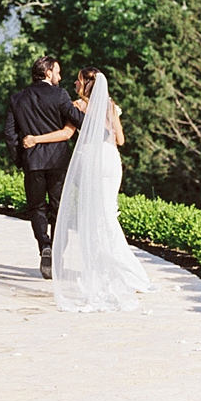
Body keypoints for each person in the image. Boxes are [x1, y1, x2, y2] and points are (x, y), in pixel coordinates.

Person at [24, 66, 153, 311]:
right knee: (107, 216)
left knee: (94, 218)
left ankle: (107, 271)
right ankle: (128, 272)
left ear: (86, 84)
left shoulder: (79, 107)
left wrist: (35, 139)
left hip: (92, 160)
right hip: (111, 160)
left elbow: (65, 134)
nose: (74, 82)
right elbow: (121, 140)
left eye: (78, 79)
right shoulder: (111, 105)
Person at [4, 56, 87, 279]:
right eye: (58, 72)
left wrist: (20, 159)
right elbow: (78, 120)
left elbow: (9, 134)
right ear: (48, 72)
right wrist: (87, 108)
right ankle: (57, 253)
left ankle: (44, 247)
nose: (60, 77)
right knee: (59, 208)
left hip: (32, 161)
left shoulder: (17, 99)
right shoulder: (59, 95)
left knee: (37, 207)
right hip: (58, 161)